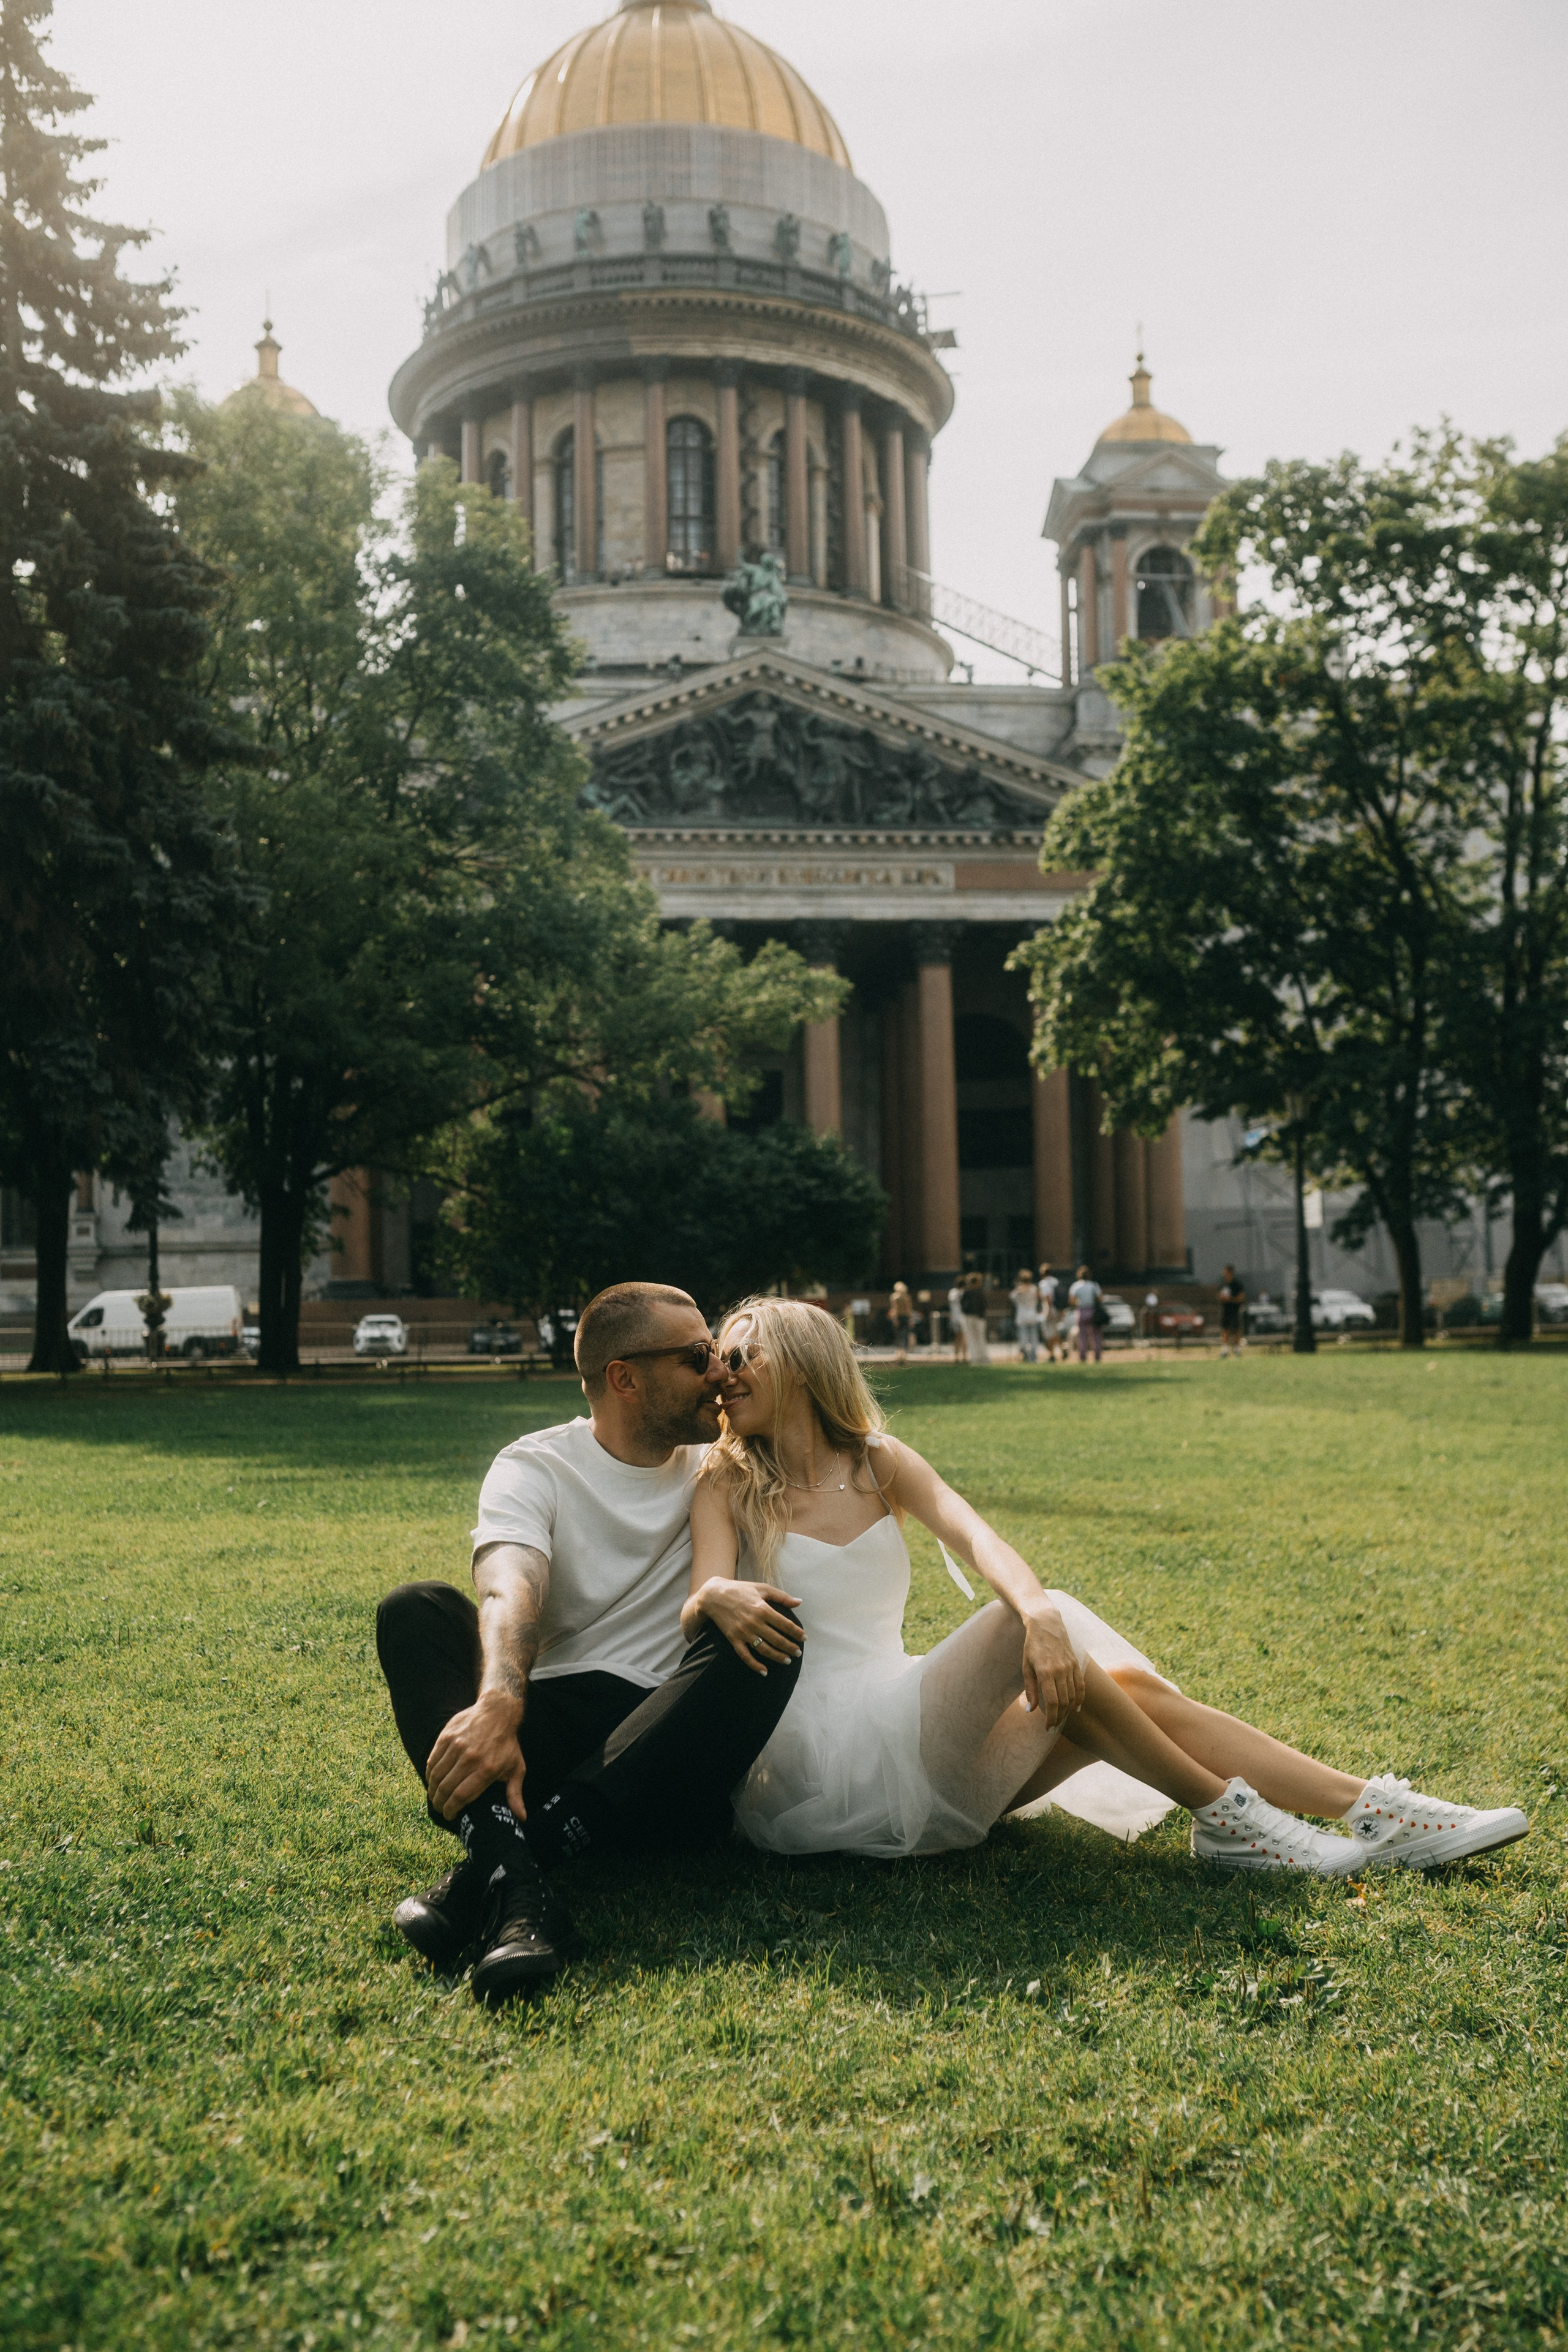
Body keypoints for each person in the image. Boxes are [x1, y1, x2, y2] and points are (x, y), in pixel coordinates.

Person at [687, 1298, 1529, 1872]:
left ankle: (1370, 1811)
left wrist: (1043, 1610)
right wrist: (715, 1597)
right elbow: (701, 1594)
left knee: (1110, 1680)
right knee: (1028, 1632)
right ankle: (1235, 1818)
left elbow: (981, 1539)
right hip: (819, 1766)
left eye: (736, 1356)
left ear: (799, 1362)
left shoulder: (877, 1460)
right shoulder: (724, 1483)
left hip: (909, 1727)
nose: (720, 1375)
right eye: (718, 1363)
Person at [375, 1283, 804, 2005]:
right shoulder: (537, 1465)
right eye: (698, 1356)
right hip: (545, 1746)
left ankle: (500, 1870)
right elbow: (512, 1588)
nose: (718, 1374)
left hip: (667, 1753)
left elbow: (830, 1420)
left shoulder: (724, 1466)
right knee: (414, 1608)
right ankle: (525, 1877)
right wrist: (501, 1702)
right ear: (625, 1378)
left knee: (769, 1636)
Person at [1068, 1264, 1103, 1363]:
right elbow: (1100, 1299)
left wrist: (1079, 1302)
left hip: (1081, 1311)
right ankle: (1097, 1356)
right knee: (1096, 1334)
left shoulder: (1076, 1286)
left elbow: (1071, 1301)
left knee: (1082, 1336)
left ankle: (1083, 1357)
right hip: (1093, 1311)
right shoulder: (1094, 1285)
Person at [1009, 1268, 1042, 1363]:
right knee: (1034, 1336)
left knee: (1023, 1336)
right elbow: (1037, 1299)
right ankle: (1033, 1354)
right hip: (1032, 1314)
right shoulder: (1034, 1289)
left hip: (1022, 1315)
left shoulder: (1019, 1289)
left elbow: (1012, 1297)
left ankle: (1025, 1353)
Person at [960, 1272, 991, 1365]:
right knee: (975, 1338)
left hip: (975, 1318)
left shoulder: (970, 1293)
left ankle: (980, 1358)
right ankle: (978, 1359)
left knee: (977, 1338)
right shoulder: (971, 1293)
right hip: (973, 1318)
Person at [1037, 1263, 1065, 1363]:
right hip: (1058, 1309)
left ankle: (1052, 1355)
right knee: (1055, 1332)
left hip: (1050, 1311)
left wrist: (1048, 1311)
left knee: (1048, 1335)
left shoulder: (1044, 1283)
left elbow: (1048, 1298)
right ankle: (1062, 1348)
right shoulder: (1056, 1281)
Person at [1218, 1264, 1247, 1358]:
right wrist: (1222, 1298)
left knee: (1236, 1330)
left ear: (1230, 1272)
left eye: (1225, 1271)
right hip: (1225, 1310)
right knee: (1225, 1330)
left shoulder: (1237, 1284)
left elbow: (1242, 1298)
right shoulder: (1223, 1284)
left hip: (1235, 1310)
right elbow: (1219, 1296)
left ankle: (1237, 1349)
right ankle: (1225, 1351)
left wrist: (1230, 1299)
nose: (1223, 1273)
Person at [887, 1281, 915, 1362]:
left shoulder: (894, 1297)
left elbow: (894, 1309)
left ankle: (899, 1353)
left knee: (899, 1335)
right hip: (906, 1317)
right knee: (905, 1335)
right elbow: (909, 1309)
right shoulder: (907, 1297)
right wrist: (911, 1319)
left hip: (898, 1317)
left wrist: (895, 1319)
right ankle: (904, 1354)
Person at [946, 1279, 968, 1363]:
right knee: (963, 1338)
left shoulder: (952, 1293)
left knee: (958, 1338)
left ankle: (958, 1357)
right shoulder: (961, 1293)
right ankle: (962, 1357)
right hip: (961, 1318)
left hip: (956, 1318)